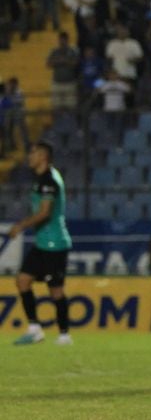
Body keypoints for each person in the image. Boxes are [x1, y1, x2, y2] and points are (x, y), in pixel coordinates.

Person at [10, 143, 73, 346]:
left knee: (55, 291)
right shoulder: (41, 178)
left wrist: (21, 226)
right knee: (22, 281)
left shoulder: (49, 180)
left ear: (43, 156)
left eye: (33, 153)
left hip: (55, 244)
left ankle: (64, 335)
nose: (29, 156)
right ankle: (35, 328)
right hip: (42, 243)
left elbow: (45, 212)